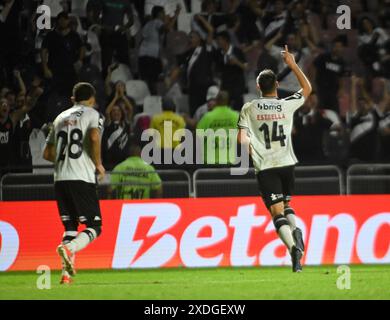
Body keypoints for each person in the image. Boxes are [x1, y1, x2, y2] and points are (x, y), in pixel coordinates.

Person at [237, 45, 312, 272]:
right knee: (287, 205)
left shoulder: (249, 108)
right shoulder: (286, 105)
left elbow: (242, 140)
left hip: (266, 166)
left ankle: (293, 249)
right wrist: (292, 64)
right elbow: (307, 89)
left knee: (276, 212)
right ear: (277, 85)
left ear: (258, 87)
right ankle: (296, 231)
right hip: (287, 163)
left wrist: (253, 151)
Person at [43, 82, 105, 285]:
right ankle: (69, 248)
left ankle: (65, 275)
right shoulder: (92, 114)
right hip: (81, 178)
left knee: (70, 227)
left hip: (60, 179)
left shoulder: (59, 117)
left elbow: (47, 154)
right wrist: (98, 164)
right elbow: (95, 136)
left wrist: (66, 159)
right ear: (92, 99)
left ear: (72, 99)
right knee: (95, 226)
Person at [196, 91, 239, 165]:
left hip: (210, 160)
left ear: (216, 101)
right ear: (227, 101)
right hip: (230, 160)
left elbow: (198, 136)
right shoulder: (236, 116)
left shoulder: (208, 117)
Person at [102, 81, 134, 170]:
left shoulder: (125, 123)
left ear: (122, 113)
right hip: (110, 159)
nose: (116, 112)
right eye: (114, 111)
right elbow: (107, 111)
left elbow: (130, 109)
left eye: (118, 111)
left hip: (124, 158)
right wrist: (116, 97)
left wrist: (122, 96)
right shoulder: (109, 123)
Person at [215, 31, 248, 111]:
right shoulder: (218, 53)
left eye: (219, 40)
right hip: (225, 87)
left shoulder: (237, 51)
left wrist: (236, 62)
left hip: (237, 86)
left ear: (225, 40)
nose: (218, 42)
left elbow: (246, 67)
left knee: (238, 109)